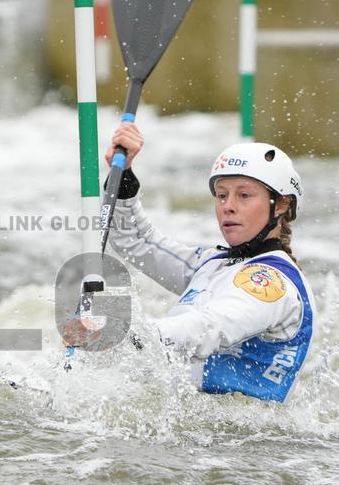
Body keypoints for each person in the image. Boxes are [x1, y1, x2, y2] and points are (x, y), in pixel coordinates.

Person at [65, 124, 315, 403]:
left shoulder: (272, 283)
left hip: (233, 437)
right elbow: (137, 241)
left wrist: (129, 336)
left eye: (244, 195)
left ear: (280, 204)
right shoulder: (212, 264)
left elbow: (208, 327)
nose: (227, 206)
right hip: (190, 419)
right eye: (222, 195)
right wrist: (123, 180)